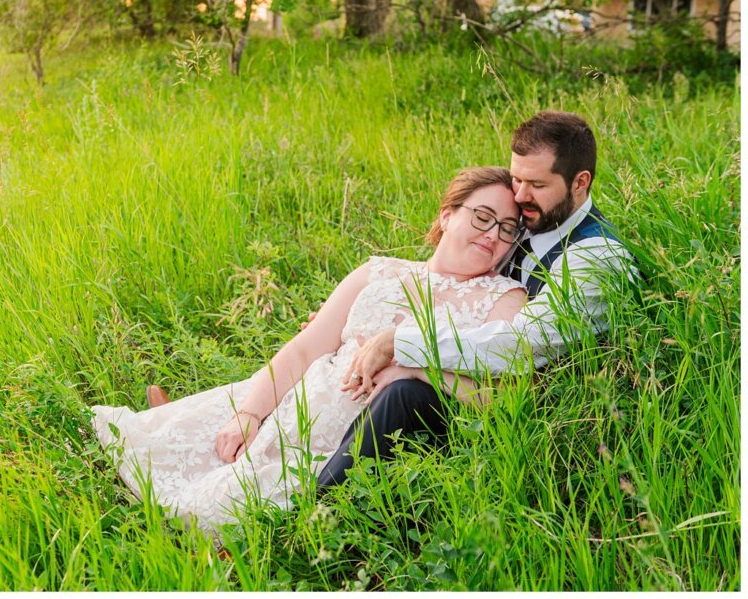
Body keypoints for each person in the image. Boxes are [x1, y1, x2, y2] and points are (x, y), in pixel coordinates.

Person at [91, 166, 527, 528]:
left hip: (366, 434)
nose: (494, 235)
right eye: (482, 217)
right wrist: (250, 413)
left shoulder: (504, 299)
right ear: (448, 215)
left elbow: (502, 400)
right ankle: (194, 420)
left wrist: (414, 368)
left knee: (218, 505)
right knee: (179, 441)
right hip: (303, 401)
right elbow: (305, 349)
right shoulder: (380, 271)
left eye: (508, 228)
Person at [316, 110, 631, 489]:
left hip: (528, 415)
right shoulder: (532, 216)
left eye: (536, 184)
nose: (519, 196)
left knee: (405, 394)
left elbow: (522, 345)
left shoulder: (596, 259)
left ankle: (322, 512)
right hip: (465, 378)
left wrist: (404, 348)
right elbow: (452, 272)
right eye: (516, 178)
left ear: (580, 182)